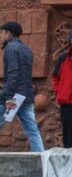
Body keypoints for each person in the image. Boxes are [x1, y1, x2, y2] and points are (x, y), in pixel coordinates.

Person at [1, 22, 45, 152]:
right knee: (33, 131)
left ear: (8, 33)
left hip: (12, 98)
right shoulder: (26, 49)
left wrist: (8, 97)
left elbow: (13, 73)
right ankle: (41, 159)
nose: (0, 36)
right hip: (25, 96)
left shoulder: (10, 48)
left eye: (2, 32)